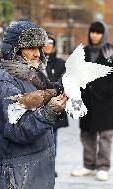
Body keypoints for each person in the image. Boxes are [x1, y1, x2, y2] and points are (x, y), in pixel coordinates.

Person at [0, 20, 67, 188]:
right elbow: (16, 130)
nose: (37, 54)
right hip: (16, 175)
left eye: (39, 48)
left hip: (36, 169)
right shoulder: (5, 83)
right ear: (15, 50)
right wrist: (49, 111)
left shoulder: (34, 75)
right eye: (31, 48)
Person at [70, 21, 113, 181]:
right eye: (92, 32)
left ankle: (103, 166)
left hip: (104, 100)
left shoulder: (112, 51)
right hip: (86, 100)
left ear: (103, 34)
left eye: (98, 32)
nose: (94, 35)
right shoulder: (83, 51)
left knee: (106, 135)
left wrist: (107, 90)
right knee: (87, 134)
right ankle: (89, 165)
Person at [43, 35, 69, 177]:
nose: (48, 45)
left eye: (51, 42)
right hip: (39, 107)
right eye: (46, 43)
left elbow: (65, 82)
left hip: (55, 106)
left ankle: (50, 166)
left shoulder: (60, 63)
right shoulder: (36, 62)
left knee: (53, 138)